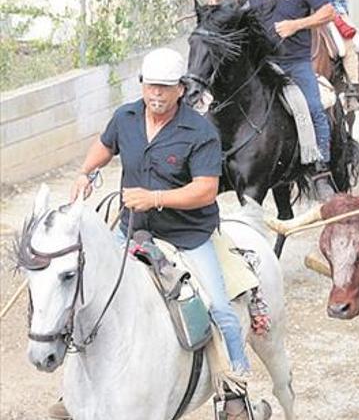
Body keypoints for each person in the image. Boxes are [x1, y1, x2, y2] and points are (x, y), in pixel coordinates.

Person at [58, 48, 251, 419]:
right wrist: (85, 171)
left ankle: (235, 390)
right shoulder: (125, 117)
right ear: (142, 85)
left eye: (165, 87)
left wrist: (156, 197)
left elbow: (206, 190)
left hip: (188, 236)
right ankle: (75, 391)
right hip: (133, 231)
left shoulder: (200, 131)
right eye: (151, 86)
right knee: (89, 295)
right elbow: (103, 146)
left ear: (181, 89)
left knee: (220, 308)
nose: (156, 95)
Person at [208, 0, 338, 199]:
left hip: (294, 63)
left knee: (313, 108)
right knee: (219, 101)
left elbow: (328, 12)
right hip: (259, 62)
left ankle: (319, 171)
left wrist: (296, 25)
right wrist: (214, 12)